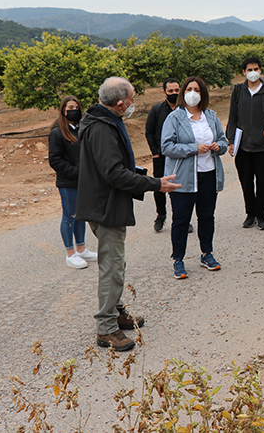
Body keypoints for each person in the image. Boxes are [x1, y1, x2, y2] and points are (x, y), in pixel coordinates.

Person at [77, 77, 181, 352]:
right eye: (133, 98)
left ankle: (116, 311)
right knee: (111, 268)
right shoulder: (101, 128)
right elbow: (113, 173)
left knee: (117, 264)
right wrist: (155, 183)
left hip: (105, 202)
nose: (135, 103)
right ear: (121, 103)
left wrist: (141, 175)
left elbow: (115, 166)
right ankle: (106, 328)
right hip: (106, 206)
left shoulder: (104, 121)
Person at [161, 76, 228, 280]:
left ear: (203, 93)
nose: (193, 93)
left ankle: (207, 254)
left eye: (197, 89)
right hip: (183, 177)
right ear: (183, 93)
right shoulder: (175, 117)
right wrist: (193, 148)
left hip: (208, 175)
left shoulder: (211, 116)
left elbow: (224, 142)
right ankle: (178, 259)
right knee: (181, 219)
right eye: (189, 89)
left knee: (207, 217)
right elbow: (166, 147)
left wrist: (218, 146)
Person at [226, 57, 264, 230]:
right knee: (246, 182)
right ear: (243, 72)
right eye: (249, 70)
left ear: (260, 70)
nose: (253, 72)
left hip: (263, 147)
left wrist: (263, 134)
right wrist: (231, 140)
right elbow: (233, 117)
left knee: (263, 183)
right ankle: (250, 214)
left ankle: (262, 216)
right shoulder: (238, 90)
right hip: (243, 147)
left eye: (256, 69)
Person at [48, 95, 97, 269]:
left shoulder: (82, 129)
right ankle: (70, 253)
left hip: (83, 181)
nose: (73, 110)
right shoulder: (57, 132)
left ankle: (82, 249)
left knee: (81, 214)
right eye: (70, 107)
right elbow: (55, 160)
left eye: (76, 107)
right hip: (68, 182)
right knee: (69, 216)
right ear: (63, 110)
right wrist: (76, 172)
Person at [145, 78, 181, 232]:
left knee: (178, 186)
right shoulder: (157, 109)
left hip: (179, 156)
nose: (174, 93)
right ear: (164, 92)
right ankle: (161, 215)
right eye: (171, 91)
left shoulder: (184, 109)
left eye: (176, 90)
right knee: (159, 186)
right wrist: (155, 152)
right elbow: (149, 131)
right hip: (161, 155)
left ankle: (180, 217)